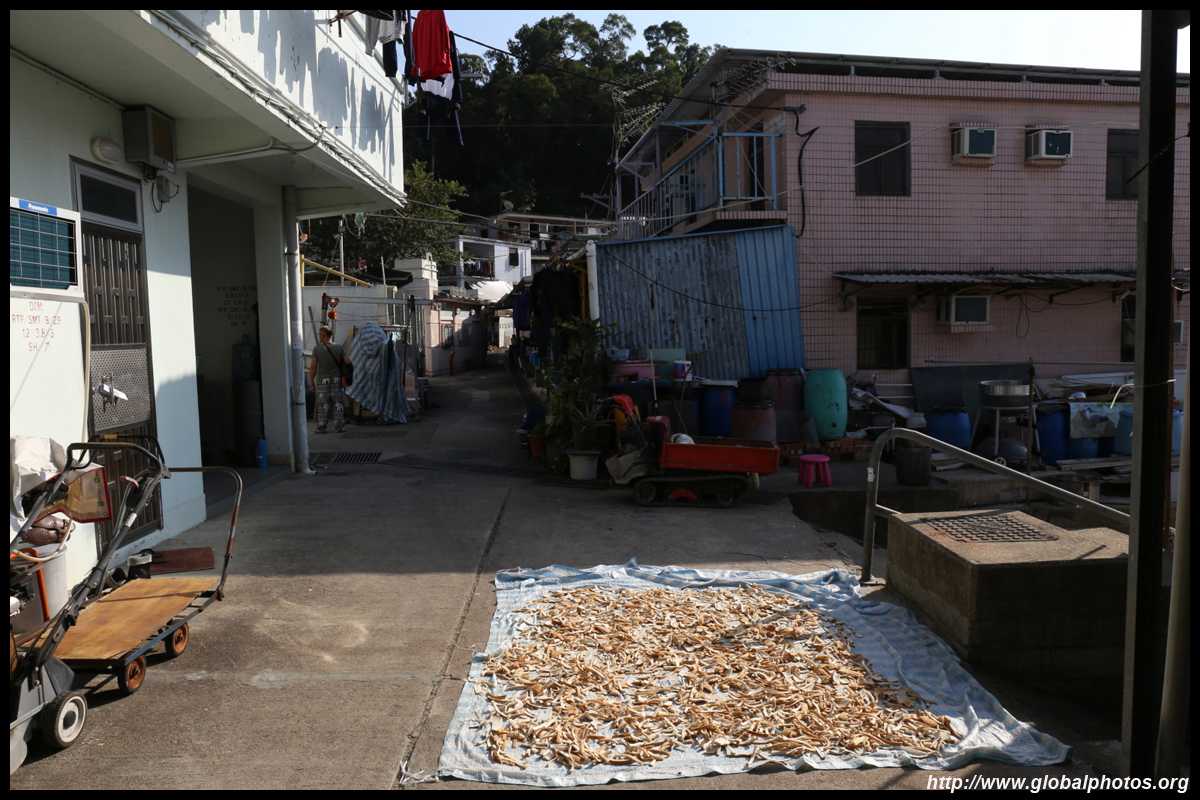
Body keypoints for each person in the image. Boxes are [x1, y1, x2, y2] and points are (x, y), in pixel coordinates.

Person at [310, 325, 351, 433]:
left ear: (323, 336)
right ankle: (340, 427)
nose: (319, 336)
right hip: (336, 380)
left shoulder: (317, 349)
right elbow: (348, 361)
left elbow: (313, 366)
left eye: (320, 335)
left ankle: (322, 427)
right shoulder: (339, 347)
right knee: (337, 403)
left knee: (323, 404)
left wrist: (311, 380)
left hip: (323, 380)